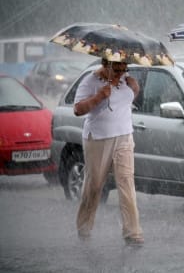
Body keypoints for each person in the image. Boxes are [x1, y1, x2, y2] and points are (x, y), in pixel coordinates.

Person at [73, 58, 143, 247]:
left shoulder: (125, 79)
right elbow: (78, 109)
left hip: (124, 136)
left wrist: (135, 89)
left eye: (124, 68)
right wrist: (98, 97)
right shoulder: (91, 81)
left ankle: (132, 232)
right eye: (117, 68)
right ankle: (84, 226)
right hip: (98, 138)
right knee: (94, 185)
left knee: (127, 183)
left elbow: (125, 101)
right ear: (106, 64)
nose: (121, 71)